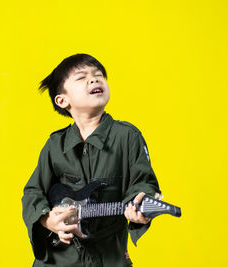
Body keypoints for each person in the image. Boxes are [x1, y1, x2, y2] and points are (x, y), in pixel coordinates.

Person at [22, 53, 161, 267]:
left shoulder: (127, 136)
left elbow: (143, 183)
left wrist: (140, 205)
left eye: (99, 75)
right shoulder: (55, 144)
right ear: (62, 100)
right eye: (81, 77)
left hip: (108, 258)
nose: (94, 79)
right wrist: (46, 220)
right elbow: (33, 192)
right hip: (59, 259)